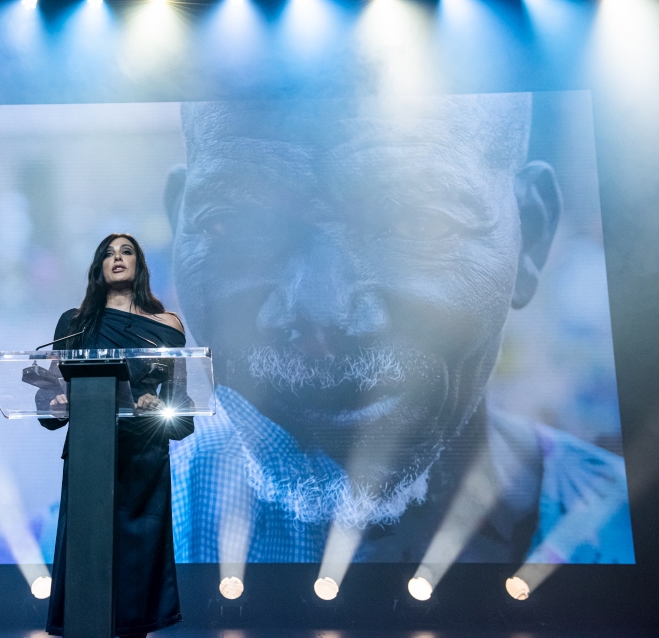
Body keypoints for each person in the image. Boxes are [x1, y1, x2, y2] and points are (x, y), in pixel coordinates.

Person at [162, 95, 635, 565]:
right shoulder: (130, 524)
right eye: (238, 226)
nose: (320, 313)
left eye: (418, 224)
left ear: (529, 235)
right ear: (177, 222)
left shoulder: (620, 524)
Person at [40, 234, 193, 638]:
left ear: (140, 265)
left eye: (126, 252)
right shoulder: (75, 324)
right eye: (108, 253)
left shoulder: (168, 326)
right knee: (87, 560)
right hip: (91, 454)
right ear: (98, 268)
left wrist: (158, 409)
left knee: (135, 575)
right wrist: (55, 402)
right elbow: (50, 401)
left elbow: (183, 414)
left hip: (143, 462)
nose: (117, 258)